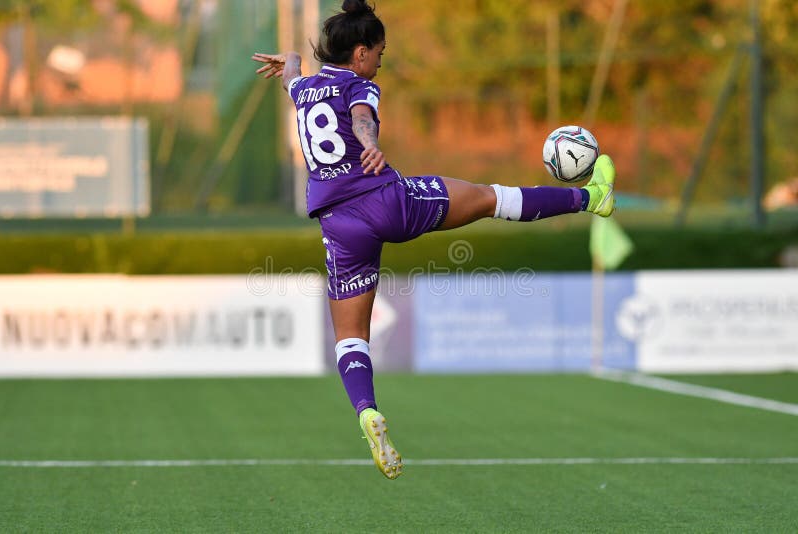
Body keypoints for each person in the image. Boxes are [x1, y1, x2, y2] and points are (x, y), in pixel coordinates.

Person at [252, 0, 615, 480]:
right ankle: (593, 198)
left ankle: (366, 411)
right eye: (379, 51)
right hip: (384, 200)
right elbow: (361, 115)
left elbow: (294, 70)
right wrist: (371, 144)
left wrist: (290, 60)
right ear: (360, 53)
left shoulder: (301, 89)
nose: (381, 59)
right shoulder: (361, 84)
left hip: (338, 223)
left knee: (349, 336)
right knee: (490, 197)